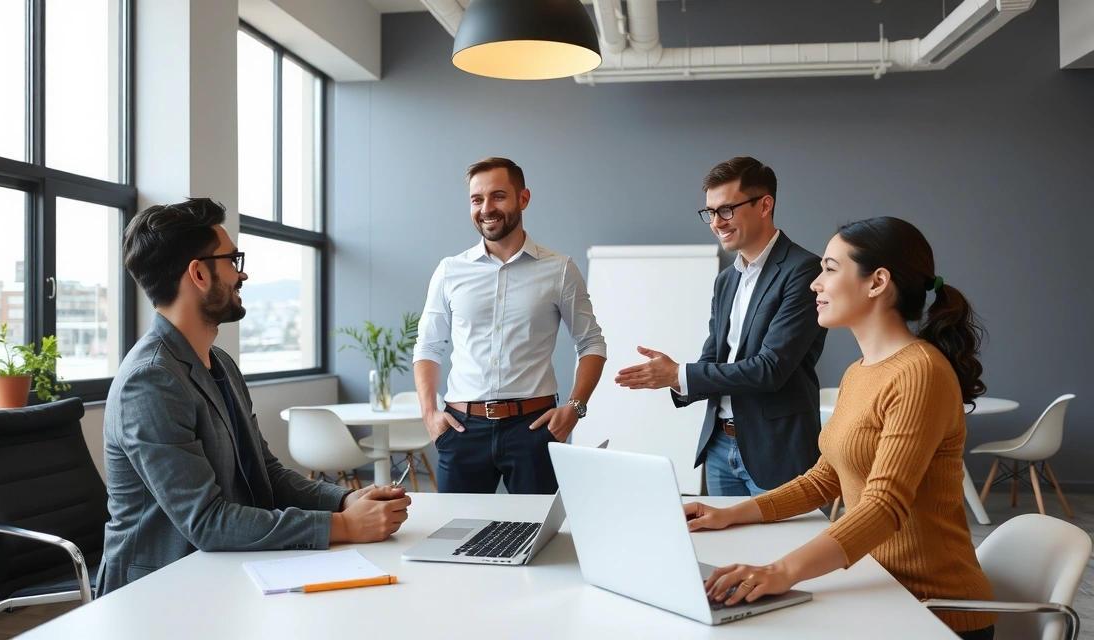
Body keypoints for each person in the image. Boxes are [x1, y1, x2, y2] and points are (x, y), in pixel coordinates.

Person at [688, 217, 996, 640]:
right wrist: (727, 514)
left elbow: (884, 505)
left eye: (830, 269)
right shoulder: (860, 372)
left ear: (877, 282)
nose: (816, 284)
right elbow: (825, 477)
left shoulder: (920, 372)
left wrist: (781, 571)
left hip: (930, 609)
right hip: (876, 586)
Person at [98, 198, 410, 596]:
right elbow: (207, 522)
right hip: (159, 590)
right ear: (198, 274)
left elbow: (267, 474)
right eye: (232, 259)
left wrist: (344, 501)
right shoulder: (150, 381)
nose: (242, 273)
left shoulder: (220, 364)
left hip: (227, 567)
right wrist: (344, 527)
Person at [614, 157, 826, 496]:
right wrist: (673, 377)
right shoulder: (727, 280)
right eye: (709, 212)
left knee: (778, 551)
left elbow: (771, 369)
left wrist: (680, 374)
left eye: (725, 210)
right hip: (718, 450)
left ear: (764, 205)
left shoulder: (804, 270)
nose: (716, 223)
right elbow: (714, 358)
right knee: (725, 551)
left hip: (776, 453)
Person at [413, 157, 607, 494]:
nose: (487, 208)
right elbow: (428, 346)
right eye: (477, 199)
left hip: (533, 429)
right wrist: (430, 413)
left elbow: (591, 343)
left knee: (538, 540)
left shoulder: (559, 270)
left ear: (523, 199)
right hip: (461, 430)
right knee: (457, 538)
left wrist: (575, 408)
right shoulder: (449, 271)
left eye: (498, 196)